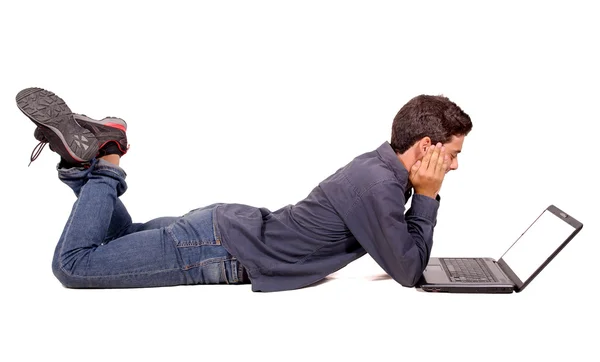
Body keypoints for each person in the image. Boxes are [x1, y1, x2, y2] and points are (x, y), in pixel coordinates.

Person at [17, 87, 472, 292]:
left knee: (113, 239)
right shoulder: (378, 185)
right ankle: (107, 156)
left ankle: (85, 161)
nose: (453, 165)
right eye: (451, 153)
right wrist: (428, 197)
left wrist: (421, 194)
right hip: (218, 248)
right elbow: (408, 270)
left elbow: (403, 256)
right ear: (426, 145)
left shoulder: (379, 173)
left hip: (221, 233)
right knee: (76, 265)